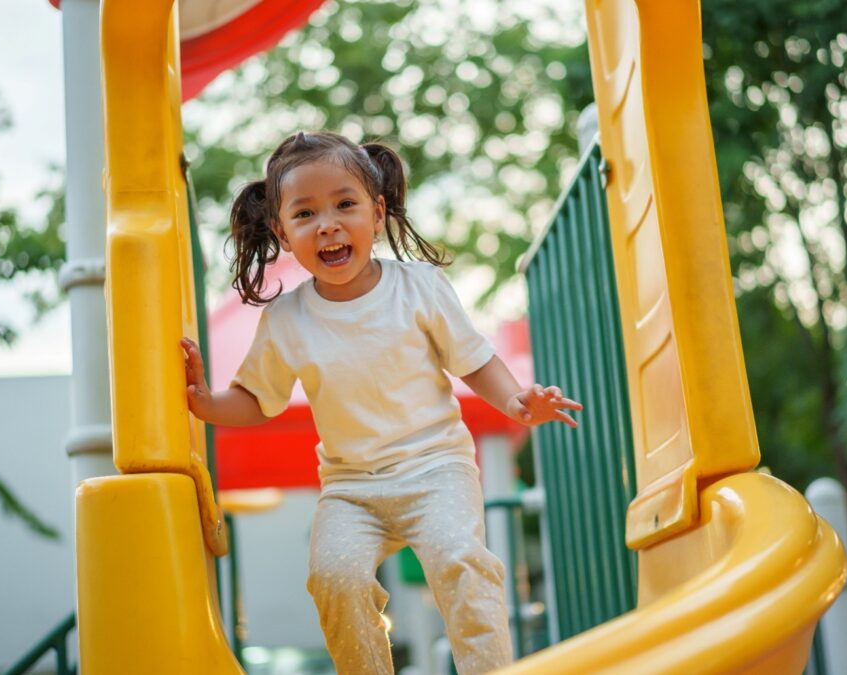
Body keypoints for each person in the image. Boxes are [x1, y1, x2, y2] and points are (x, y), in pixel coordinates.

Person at [181, 130, 581, 675]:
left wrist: (516, 401)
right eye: (305, 214)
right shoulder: (286, 320)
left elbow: (474, 359)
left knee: (461, 560)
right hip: (351, 488)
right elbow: (256, 400)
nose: (328, 224)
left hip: (436, 469)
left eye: (345, 204)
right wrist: (205, 402)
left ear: (377, 211)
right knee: (334, 578)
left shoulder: (419, 288)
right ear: (282, 231)